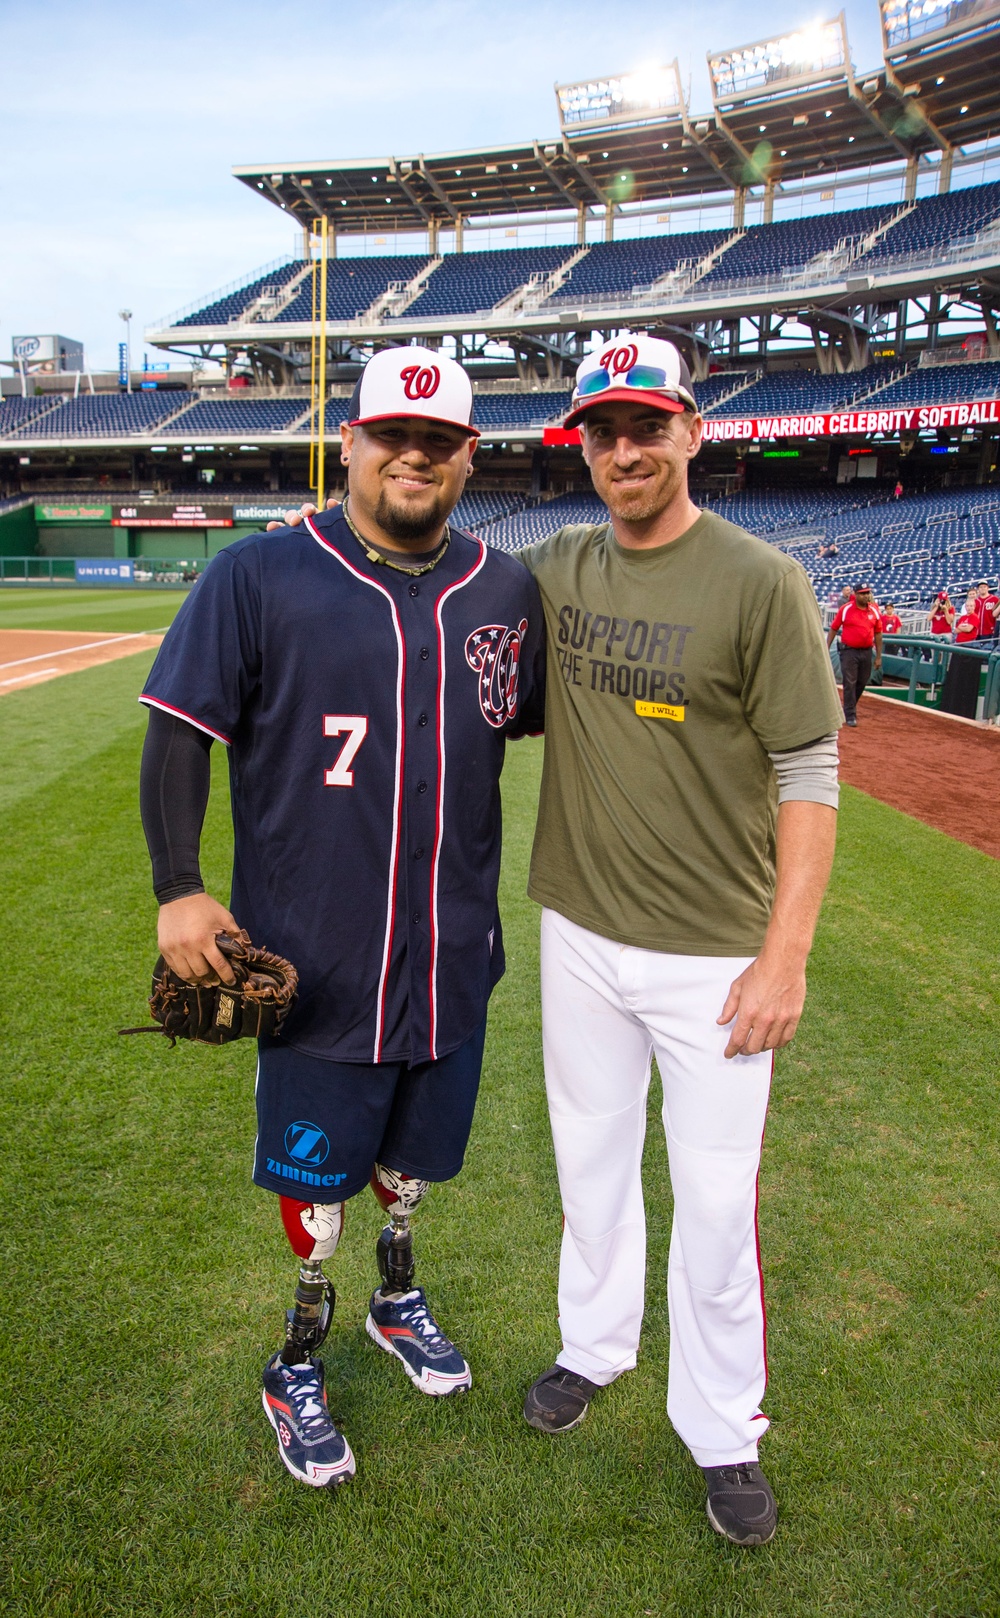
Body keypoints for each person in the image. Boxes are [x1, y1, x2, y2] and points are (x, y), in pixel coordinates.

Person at [281, 333, 843, 1547]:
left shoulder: (758, 581)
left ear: (694, 430)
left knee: (710, 1202)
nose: (625, 448)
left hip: (713, 955)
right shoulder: (553, 574)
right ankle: (594, 1346)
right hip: (578, 933)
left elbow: (809, 766)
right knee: (589, 1173)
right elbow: (456, 674)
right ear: (577, 444)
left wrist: (785, 953)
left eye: (648, 424)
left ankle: (723, 1426)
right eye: (602, 429)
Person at [137, 346, 545, 1490]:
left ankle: (397, 1297)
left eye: (438, 441)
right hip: (316, 963)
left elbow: (557, 730)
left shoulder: (505, 592)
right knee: (314, 1195)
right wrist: (180, 883)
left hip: (455, 956)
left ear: (470, 455)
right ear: (353, 444)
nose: (412, 456)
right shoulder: (257, 575)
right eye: (389, 436)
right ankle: (297, 1355)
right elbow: (179, 736)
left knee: (410, 1170)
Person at [826, 582, 882, 726]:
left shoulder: (874, 610)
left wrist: (879, 657)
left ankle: (848, 707)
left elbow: (878, 633)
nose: (866, 596)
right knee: (849, 681)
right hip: (849, 650)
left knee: (862, 681)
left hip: (867, 651)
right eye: (862, 593)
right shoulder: (846, 609)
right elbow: (834, 628)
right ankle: (850, 715)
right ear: (855, 595)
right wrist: (826, 647)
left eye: (867, 593)